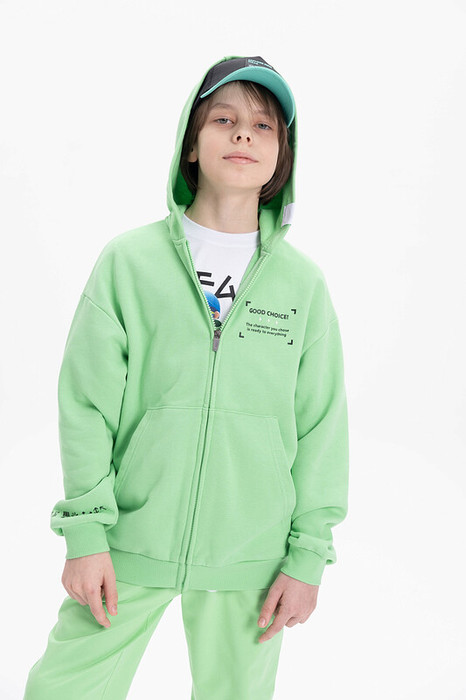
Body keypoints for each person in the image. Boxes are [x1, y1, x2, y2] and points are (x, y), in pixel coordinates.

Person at [23, 54, 349, 699]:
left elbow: (322, 426)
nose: (243, 133)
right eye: (223, 119)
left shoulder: (302, 286)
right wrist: (85, 534)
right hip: (126, 539)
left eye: (264, 125)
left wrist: (308, 555)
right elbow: (86, 406)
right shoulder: (130, 263)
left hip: (252, 555)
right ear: (190, 145)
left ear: (281, 158)